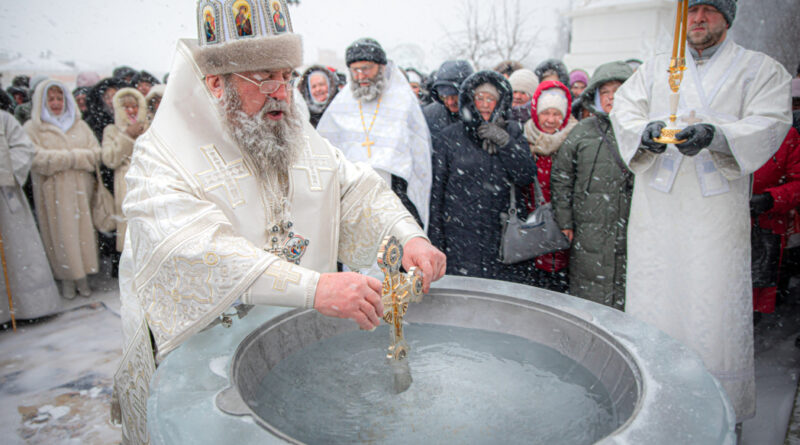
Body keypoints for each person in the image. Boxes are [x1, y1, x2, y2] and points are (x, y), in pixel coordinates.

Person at [113, 8, 445, 443]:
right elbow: (193, 246)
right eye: (265, 77)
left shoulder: (288, 128)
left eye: (288, 76)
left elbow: (352, 188)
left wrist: (407, 235)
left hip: (293, 343)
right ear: (217, 82)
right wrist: (314, 287)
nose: (283, 94)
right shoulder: (164, 154)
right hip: (209, 360)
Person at [610, 0, 792, 424]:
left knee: (712, 304)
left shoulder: (759, 69)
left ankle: (716, 412)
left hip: (715, 214)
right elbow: (624, 108)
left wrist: (719, 136)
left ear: (727, 17)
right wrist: (646, 134)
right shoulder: (657, 68)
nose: (698, 19)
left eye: (709, 10)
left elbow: (771, 119)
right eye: (692, 11)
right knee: (655, 297)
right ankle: (656, 403)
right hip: (658, 211)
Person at [428, 70, 537, 284]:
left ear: (501, 102)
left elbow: (525, 175)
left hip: (500, 233)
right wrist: (435, 238)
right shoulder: (450, 136)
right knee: (464, 296)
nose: (486, 104)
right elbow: (437, 192)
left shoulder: (512, 131)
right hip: (460, 234)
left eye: (491, 99)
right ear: (470, 100)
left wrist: (506, 144)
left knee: (498, 301)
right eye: (480, 98)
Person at [317, 38, 432, 229]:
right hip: (355, 198)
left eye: (366, 68)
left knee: (392, 253)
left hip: (396, 194)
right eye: (355, 70)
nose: (361, 76)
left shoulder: (402, 100)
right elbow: (326, 152)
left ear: (381, 67)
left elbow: (419, 155)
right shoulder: (341, 104)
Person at [551, 61, 634, 310]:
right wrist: (565, 220)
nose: (611, 98)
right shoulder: (583, 132)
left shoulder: (638, 131)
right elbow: (562, 176)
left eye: (617, 91)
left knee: (627, 291)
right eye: (605, 92)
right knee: (589, 296)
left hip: (630, 227)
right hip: (588, 229)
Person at [24, 80, 101, 300]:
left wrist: (69, 159)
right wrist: (72, 157)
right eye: (51, 99)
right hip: (53, 193)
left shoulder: (79, 125)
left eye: (59, 98)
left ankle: (84, 278)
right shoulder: (32, 128)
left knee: (83, 235)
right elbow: (36, 158)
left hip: (80, 190)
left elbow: (95, 153)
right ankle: (67, 278)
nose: (56, 103)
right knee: (60, 236)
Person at [0, 110, 60, 324]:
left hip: (6, 197)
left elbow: (23, 148)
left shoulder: (4, 119)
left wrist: (5, 173)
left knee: (18, 251)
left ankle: (31, 307)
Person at [524, 80, 576, 292]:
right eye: (546, 113)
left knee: (557, 281)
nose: (551, 120)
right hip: (532, 220)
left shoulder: (573, 138)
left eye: (556, 114)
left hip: (562, 222)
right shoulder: (525, 136)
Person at [750, 126, 800, 316]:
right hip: (716, 228)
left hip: (763, 230)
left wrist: (771, 199)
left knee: (751, 302)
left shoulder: (785, 134)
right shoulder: (718, 129)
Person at [101, 88, 148, 253]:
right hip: (125, 188)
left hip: (148, 185)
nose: (131, 111)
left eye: (134, 106)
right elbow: (110, 159)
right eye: (126, 107)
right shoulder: (111, 131)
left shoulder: (149, 128)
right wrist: (127, 136)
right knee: (128, 234)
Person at [422, 60, 474, 139]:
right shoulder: (429, 116)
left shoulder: (484, 112)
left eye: (454, 96)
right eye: (444, 97)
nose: (450, 102)